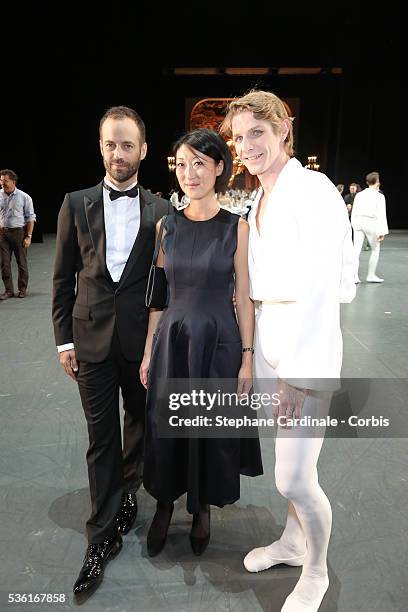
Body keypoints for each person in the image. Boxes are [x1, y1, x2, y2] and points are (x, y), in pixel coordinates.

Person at [221, 90, 355, 612]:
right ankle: (293, 541)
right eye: (239, 136)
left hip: (307, 351)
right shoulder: (261, 196)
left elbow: (323, 287)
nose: (247, 144)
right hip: (274, 342)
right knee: (288, 465)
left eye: (257, 131)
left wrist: (300, 376)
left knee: (293, 475)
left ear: (283, 130)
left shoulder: (313, 189)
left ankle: (316, 571)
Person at [52, 106, 171, 600]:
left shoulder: (163, 211)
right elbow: (62, 279)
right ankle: (99, 538)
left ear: (143, 150)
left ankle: (126, 491)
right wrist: (64, 340)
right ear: (100, 147)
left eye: (127, 145)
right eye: (109, 144)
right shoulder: (75, 203)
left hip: (141, 344)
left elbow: (164, 284)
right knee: (101, 437)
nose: (118, 154)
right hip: (91, 341)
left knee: (140, 426)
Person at [141, 128, 263, 557]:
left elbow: (245, 297)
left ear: (218, 168)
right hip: (172, 341)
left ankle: (202, 509)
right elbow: (158, 294)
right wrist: (147, 348)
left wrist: (247, 358)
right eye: (181, 164)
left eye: (198, 163)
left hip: (218, 341)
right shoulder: (165, 225)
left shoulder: (237, 228)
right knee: (164, 424)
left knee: (210, 427)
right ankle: (163, 504)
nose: (189, 173)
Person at [0, 169, 36, 299]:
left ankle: (22, 289)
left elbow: (31, 218)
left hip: (18, 233)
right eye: (1, 180)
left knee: (21, 262)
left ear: (13, 182)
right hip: (3, 233)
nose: (2, 183)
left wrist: (29, 236)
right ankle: (8, 290)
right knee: (4, 263)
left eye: (5, 181)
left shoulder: (24, 197)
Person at [351, 171, 388, 283]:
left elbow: (354, 210)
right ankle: (371, 275)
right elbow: (382, 214)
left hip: (358, 221)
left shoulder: (359, 195)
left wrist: (353, 224)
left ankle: (354, 277)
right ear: (377, 182)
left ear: (367, 182)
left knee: (356, 250)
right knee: (375, 249)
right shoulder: (379, 196)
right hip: (371, 223)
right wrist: (382, 231)